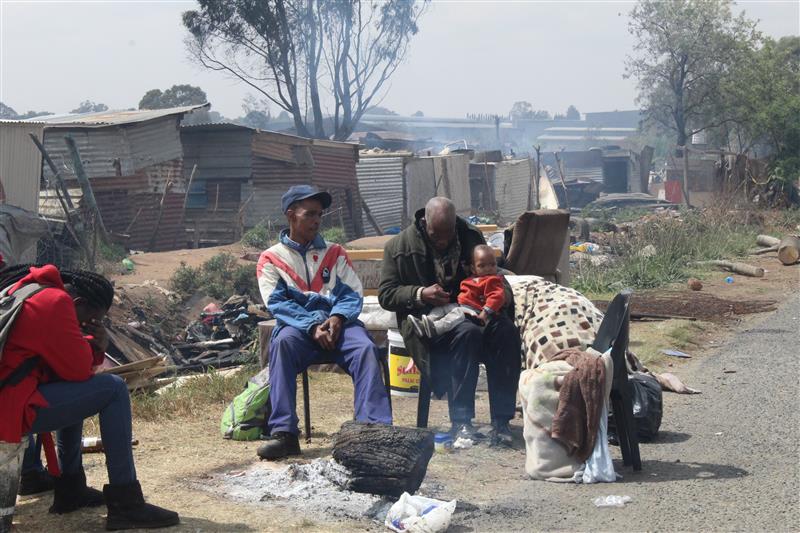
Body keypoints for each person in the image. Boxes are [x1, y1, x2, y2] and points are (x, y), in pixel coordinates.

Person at [0, 264, 179, 530]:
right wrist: (99, 345)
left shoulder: (27, 289)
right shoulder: (56, 302)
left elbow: (66, 370)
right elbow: (80, 369)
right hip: (11, 410)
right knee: (113, 389)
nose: (85, 326)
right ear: (78, 303)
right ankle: (126, 504)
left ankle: (71, 488)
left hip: (11, 397)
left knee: (73, 385)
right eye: (90, 320)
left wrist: (83, 344)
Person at [256, 185, 392, 460]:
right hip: (298, 329)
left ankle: (372, 431)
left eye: (319, 214)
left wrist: (337, 318)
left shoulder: (335, 253)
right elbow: (277, 304)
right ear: (291, 215)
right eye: (309, 214)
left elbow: (352, 294)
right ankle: (284, 434)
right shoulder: (270, 258)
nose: (317, 220)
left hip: (340, 325)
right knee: (281, 345)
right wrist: (311, 325)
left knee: (364, 349)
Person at [378, 197, 521, 446]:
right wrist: (420, 294)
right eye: (437, 235)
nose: (443, 241)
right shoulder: (399, 247)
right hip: (432, 326)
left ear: (455, 224)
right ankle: (461, 421)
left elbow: (494, 274)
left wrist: (498, 299)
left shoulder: (470, 237)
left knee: (506, 332)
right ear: (425, 223)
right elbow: (386, 294)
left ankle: (501, 421)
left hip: (476, 314)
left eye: (448, 234)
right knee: (467, 334)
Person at [407, 245, 505, 338]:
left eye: (492, 265)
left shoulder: (493, 280)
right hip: (464, 306)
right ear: (473, 269)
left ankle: (436, 328)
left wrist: (485, 312)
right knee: (443, 308)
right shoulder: (474, 278)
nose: (488, 269)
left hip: (477, 312)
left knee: (457, 314)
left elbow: (497, 297)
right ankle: (425, 323)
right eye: (482, 266)